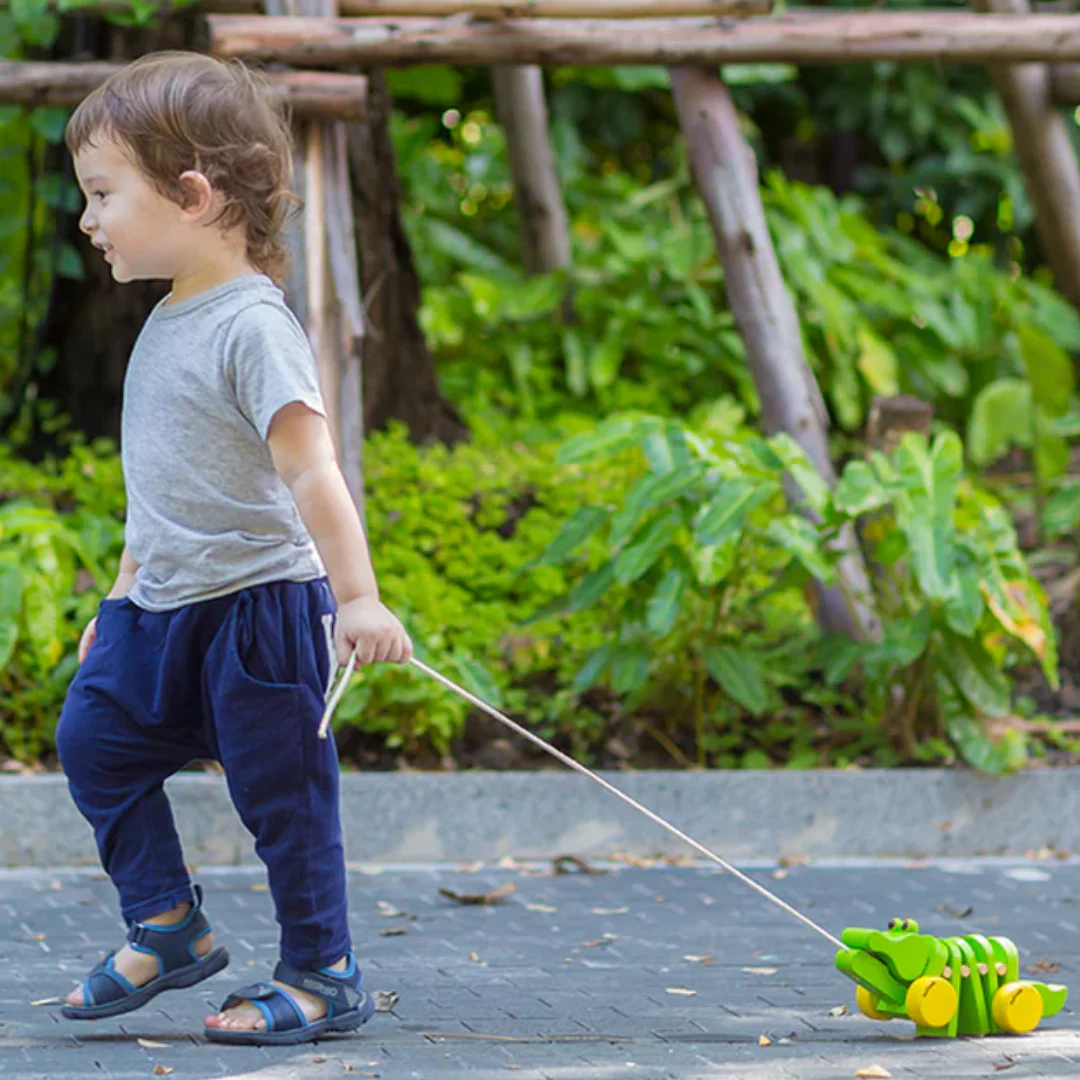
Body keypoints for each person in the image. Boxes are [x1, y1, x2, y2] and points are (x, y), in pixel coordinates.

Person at [54, 49, 412, 1046]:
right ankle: (167, 923)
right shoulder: (166, 317)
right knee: (92, 741)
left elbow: (311, 473)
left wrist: (359, 598)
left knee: (282, 800)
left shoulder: (253, 326)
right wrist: (117, 603)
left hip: (260, 611)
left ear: (194, 194)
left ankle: (321, 971)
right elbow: (157, 488)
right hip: (161, 610)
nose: (88, 219)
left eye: (102, 193)